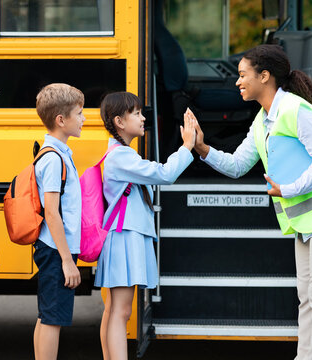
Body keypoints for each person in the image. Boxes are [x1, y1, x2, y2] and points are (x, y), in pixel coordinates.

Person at [190, 44, 312, 360]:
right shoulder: (264, 119)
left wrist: (290, 188)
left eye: (243, 75)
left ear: (265, 76)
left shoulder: (295, 110)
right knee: (307, 298)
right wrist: (202, 147)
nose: (238, 82)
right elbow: (238, 165)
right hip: (309, 215)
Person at [96, 91, 196, 360]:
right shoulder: (121, 157)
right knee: (121, 310)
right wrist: (187, 146)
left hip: (124, 234)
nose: (143, 118)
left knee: (115, 309)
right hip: (124, 235)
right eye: (137, 113)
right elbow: (164, 174)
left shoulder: (122, 154)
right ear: (119, 121)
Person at [33, 83, 85, 360]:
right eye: (79, 113)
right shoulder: (54, 159)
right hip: (56, 250)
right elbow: (51, 212)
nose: (84, 119)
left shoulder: (57, 154)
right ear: (61, 120)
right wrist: (67, 260)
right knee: (53, 318)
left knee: (47, 316)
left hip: (52, 248)